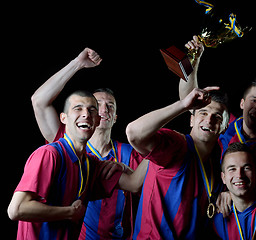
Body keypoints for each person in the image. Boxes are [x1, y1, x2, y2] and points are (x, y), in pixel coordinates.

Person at [31, 48, 147, 239]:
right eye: (96, 104)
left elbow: (144, 187)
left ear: (115, 118)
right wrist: (77, 63)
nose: (103, 109)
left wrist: (128, 168)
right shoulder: (65, 142)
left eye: (110, 106)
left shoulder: (130, 152)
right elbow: (39, 101)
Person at [8, 90, 148, 240]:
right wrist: (69, 212)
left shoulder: (91, 164)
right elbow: (16, 210)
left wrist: (157, 146)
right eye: (78, 108)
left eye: (91, 110)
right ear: (63, 118)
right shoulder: (50, 154)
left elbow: (134, 184)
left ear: (97, 120)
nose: (86, 114)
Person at [180, 37, 256, 216]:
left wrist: (233, 193)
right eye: (254, 100)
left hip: (253, 218)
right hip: (207, 209)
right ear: (242, 103)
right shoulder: (223, 124)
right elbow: (189, 101)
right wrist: (192, 61)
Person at [126, 87, 229, 239]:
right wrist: (182, 105)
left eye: (217, 117)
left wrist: (228, 193)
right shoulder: (177, 145)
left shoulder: (218, 160)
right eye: (203, 113)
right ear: (191, 119)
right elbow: (134, 133)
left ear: (224, 127)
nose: (209, 120)